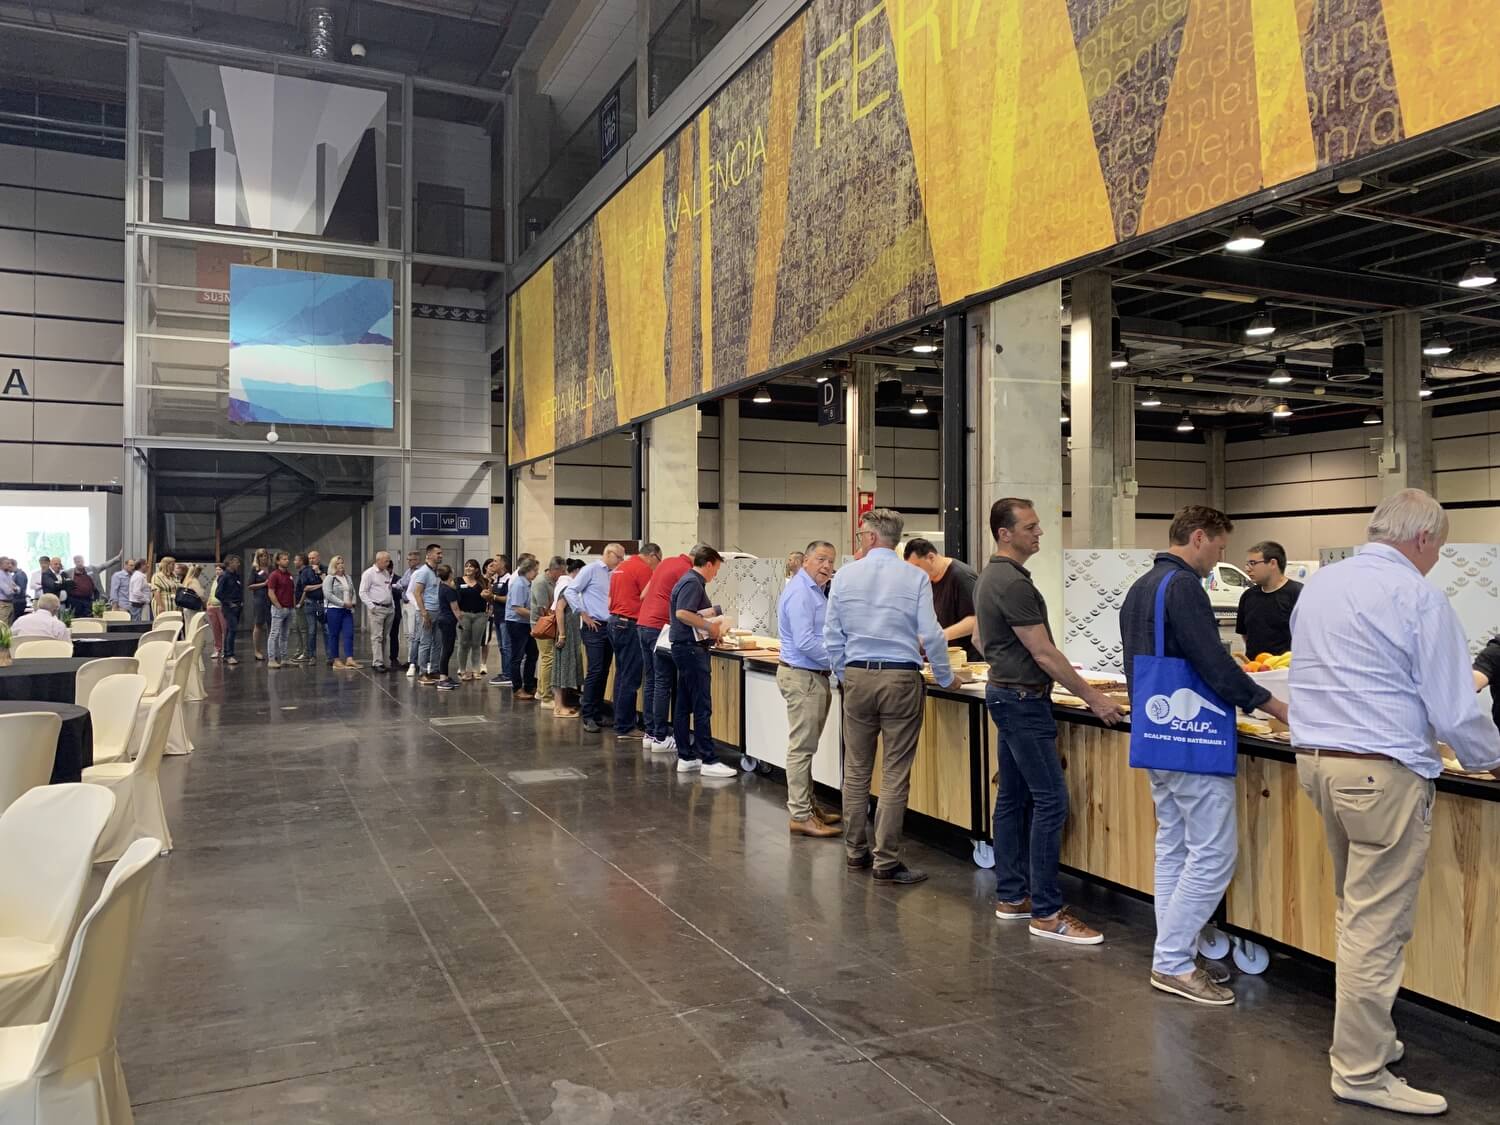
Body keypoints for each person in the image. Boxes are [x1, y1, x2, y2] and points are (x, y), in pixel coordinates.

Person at [1290, 490, 1499, 1115]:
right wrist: (1490, 758)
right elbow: (1455, 708)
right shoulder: (1417, 596)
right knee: (1376, 927)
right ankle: (1359, 1070)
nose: (1436, 560)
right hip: (1381, 775)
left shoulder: (1321, 586)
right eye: (1439, 548)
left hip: (1318, 764)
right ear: (1424, 539)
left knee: (1355, 913)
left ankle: (1369, 1039)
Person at [1120, 506, 1289, 1007]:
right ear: (1198, 537)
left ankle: (1175, 951)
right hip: (1191, 740)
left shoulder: (1141, 587)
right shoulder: (1183, 587)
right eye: (1218, 548)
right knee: (1214, 853)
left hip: (1157, 734)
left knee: (1174, 844)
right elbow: (1212, 662)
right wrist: (1274, 705)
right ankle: (1173, 961)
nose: (1220, 559)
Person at [978, 498, 1124, 944]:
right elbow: (1043, 652)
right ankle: (1046, 912)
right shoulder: (1013, 583)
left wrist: (1008, 665)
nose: (1039, 532)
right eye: (1030, 527)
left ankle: (1012, 896)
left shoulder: (991, 577)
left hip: (1007, 694)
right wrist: (1093, 698)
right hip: (1023, 701)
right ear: (1005, 533)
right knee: (1051, 801)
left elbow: (983, 639)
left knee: (1012, 798)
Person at [826, 508, 953, 885]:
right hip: (900, 678)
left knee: (856, 770)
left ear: (870, 537)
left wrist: (844, 675)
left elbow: (832, 635)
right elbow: (932, 634)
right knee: (895, 772)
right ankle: (886, 860)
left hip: (857, 676)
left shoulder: (845, 576)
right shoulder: (915, 577)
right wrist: (945, 677)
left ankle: (855, 852)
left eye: (860, 534)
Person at [777, 540, 842, 837]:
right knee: (802, 749)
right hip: (803, 676)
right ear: (805, 561)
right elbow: (805, 642)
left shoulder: (814, 590)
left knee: (806, 747)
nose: (826, 566)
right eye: (821, 559)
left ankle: (808, 807)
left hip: (811, 676)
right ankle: (801, 816)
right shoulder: (802, 592)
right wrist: (839, 660)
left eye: (831, 561)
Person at [669, 545, 736, 778]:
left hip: (685, 647)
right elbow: (682, 613)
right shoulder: (692, 582)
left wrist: (709, 624)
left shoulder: (689, 581)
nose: (715, 574)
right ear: (708, 564)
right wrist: (711, 627)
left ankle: (686, 757)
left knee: (684, 704)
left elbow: (689, 613)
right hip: (690, 650)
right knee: (701, 705)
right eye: (716, 569)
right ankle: (708, 758)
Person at [565, 543, 624, 732]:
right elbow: (570, 591)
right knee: (595, 670)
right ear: (609, 554)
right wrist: (583, 614)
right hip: (594, 626)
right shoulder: (590, 570)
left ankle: (597, 713)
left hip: (610, 625)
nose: (621, 560)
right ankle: (588, 714)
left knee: (604, 670)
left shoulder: (615, 573)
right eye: (619, 557)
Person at [639, 549, 692, 752]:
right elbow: (686, 607)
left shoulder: (666, 562)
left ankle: (650, 733)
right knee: (663, 682)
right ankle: (660, 738)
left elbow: (644, 594)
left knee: (651, 681)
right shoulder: (686, 570)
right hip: (659, 628)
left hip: (643, 624)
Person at [608, 543, 661, 740]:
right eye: (658, 561)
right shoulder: (643, 569)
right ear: (652, 555)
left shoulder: (621, 568)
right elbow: (647, 597)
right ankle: (625, 727)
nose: (657, 565)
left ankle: (620, 721)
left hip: (614, 622)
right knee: (630, 677)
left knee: (622, 674)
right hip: (629, 624)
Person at [903, 538, 980, 662]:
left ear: (931, 557)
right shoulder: (928, 581)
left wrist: (940, 636)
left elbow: (975, 620)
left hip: (968, 661)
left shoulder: (961, 576)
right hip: (942, 659)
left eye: (917, 567)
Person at [1236, 539, 1302, 659]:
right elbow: (1245, 635)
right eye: (1247, 564)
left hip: (1285, 667)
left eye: (1252, 563)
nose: (1247, 569)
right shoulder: (1248, 596)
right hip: (1254, 667)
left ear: (1272, 563)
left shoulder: (1298, 594)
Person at [550, 559, 586, 717]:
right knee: (562, 669)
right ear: (577, 571)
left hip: (570, 631)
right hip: (567, 632)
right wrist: (563, 634)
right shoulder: (567, 586)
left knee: (565, 668)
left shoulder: (564, 584)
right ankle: (558, 707)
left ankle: (561, 704)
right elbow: (559, 609)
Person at [410, 544, 444, 685]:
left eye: (441, 553)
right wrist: (424, 613)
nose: (440, 555)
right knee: (425, 642)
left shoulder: (437, 572)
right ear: (429, 555)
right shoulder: (423, 572)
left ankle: (434, 670)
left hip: (438, 611)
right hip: (428, 611)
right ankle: (422, 672)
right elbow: (417, 592)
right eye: (438, 553)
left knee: (438, 642)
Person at [505, 558, 539, 699]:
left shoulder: (529, 584)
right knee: (517, 656)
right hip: (517, 623)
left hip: (526, 622)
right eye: (535, 570)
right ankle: (517, 688)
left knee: (533, 654)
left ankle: (529, 685)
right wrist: (536, 616)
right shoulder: (519, 584)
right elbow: (518, 608)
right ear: (528, 570)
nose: (537, 573)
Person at [531, 556, 563, 705]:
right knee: (548, 659)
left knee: (544, 658)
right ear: (554, 569)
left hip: (548, 624)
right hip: (542, 625)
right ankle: (546, 696)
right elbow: (543, 608)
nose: (563, 574)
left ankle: (540, 691)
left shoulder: (553, 581)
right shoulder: (541, 582)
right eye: (561, 571)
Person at [360, 551, 395, 672]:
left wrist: (392, 606)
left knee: (384, 637)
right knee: (377, 637)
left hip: (389, 608)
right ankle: (377, 663)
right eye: (386, 561)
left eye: (389, 561)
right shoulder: (369, 573)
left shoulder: (386, 573)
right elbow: (362, 592)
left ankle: (381, 661)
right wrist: (372, 606)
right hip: (377, 608)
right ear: (378, 560)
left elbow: (388, 590)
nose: (388, 563)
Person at [454, 560, 488, 681]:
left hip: (480, 615)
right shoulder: (458, 581)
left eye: (471, 566)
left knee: (476, 644)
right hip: (464, 615)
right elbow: (453, 597)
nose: (468, 568)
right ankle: (462, 669)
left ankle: (475, 670)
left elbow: (490, 597)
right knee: (463, 643)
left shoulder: (483, 582)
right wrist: (457, 612)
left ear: (476, 569)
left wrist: (489, 609)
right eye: (466, 566)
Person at [324, 556, 359, 669]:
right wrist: (343, 603)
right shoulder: (330, 578)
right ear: (334, 565)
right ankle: (336, 660)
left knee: (349, 634)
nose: (341, 565)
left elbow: (353, 591)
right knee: (334, 635)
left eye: (342, 563)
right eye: (338, 563)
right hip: (334, 609)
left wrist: (353, 602)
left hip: (347, 610)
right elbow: (328, 595)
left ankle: (349, 659)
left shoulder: (347, 577)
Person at [484, 554, 513, 685]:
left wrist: (493, 597)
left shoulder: (509, 579)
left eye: (496, 561)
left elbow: (509, 599)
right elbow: (492, 597)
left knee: (507, 647)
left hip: (506, 617)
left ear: (503, 564)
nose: (492, 564)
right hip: (497, 616)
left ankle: (509, 675)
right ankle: (505, 671)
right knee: (502, 647)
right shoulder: (496, 580)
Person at [394, 549, 421, 675]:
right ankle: (410, 659)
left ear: (417, 560)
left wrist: (400, 584)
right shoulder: (408, 571)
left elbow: (404, 583)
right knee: (406, 634)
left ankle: (413, 660)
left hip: (412, 604)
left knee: (412, 633)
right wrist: (400, 584)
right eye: (408, 560)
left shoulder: (419, 572)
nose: (409, 562)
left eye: (411, 560)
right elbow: (400, 582)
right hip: (404, 603)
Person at [265, 552, 295, 668]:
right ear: (278, 561)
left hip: (289, 608)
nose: (287, 561)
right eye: (284, 559)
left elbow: (292, 591)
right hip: (279, 609)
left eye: (287, 559)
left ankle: (284, 658)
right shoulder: (274, 575)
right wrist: (278, 606)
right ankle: (271, 659)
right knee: (274, 634)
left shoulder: (289, 575)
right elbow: (270, 592)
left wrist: (293, 606)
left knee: (285, 635)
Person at [433, 564, 460, 689]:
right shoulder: (449, 590)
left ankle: (445, 675)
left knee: (447, 648)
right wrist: (462, 622)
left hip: (444, 619)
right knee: (447, 649)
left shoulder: (442, 587)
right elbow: (455, 609)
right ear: (450, 574)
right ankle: (443, 678)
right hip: (448, 621)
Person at [297, 550, 326, 666]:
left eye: (313, 558)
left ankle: (330, 656)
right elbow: (305, 588)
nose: (311, 560)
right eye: (309, 558)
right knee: (312, 630)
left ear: (318, 558)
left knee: (327, 630)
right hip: (310, 603)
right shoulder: (305, 571)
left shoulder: (325, 569)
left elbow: (328, 583)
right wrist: (321, 585)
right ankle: (312, 656)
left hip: (322, 603)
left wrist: (319, 572)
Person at [216, 555, 243, 666]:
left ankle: (227, 653)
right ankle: (229, 655)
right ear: (230, 563)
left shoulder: (236, 576)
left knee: (230, 630)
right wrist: (228, 602)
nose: (238, 564)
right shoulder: (224, 576)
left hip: (238, 606)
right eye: (236, 562)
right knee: (232, 629)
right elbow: (218, 593)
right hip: (229, 607)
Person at [248, 550, 271, 661]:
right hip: (260, 599)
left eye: (265, 556)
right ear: (257, 558)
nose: (264, 558)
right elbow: (250, 586)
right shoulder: (255, 570)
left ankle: (272, 650)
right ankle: (257, 651)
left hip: (271, 599)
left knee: (272, 625)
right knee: (259, 624)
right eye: (261, 556)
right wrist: (264, 584)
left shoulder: (272, 569)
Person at [206, 564, 226, 657]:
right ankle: (217, 649)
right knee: (215, 630)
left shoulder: (225, 579)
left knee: (225, 629)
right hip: (212, 606)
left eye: (220, 569)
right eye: (217, 570)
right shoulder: (215, 580)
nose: (218, 571)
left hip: (221, 606)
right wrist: (208, 603)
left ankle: (226, 650)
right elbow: (212, 593)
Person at [127, 558, 149, 623]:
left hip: (138, 605)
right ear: (142, 565)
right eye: (146, 564)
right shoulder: (139, 577)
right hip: (138, 605)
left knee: (138, 623)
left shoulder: (139, 575)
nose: (148, 566)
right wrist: (146, 599)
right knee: (137, 624)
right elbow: (136, 592)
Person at [0, 558, 18, 626]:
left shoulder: (9, 575)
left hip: (10, 603)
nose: (10, 565)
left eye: (10, 563)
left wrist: (14, 589)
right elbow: (7, 591)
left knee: (10, 625)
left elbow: (18, 588)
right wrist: (14, 589)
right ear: (1, 564)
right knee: (3, 626)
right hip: (3, 604)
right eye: (7, 563)